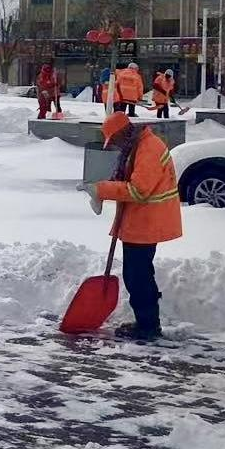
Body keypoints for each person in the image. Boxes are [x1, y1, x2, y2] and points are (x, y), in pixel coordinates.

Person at [88, 112, 182, 340]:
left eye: (116, 139)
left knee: (138, 276)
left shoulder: (148, 148)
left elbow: (139, 190)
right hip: (140, 220)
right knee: (136, 274)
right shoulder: (137, 145)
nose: (116, 145)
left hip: (148, 222)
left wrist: (101, 189)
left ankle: (148, 327)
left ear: (123, 132)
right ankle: (146, 322)